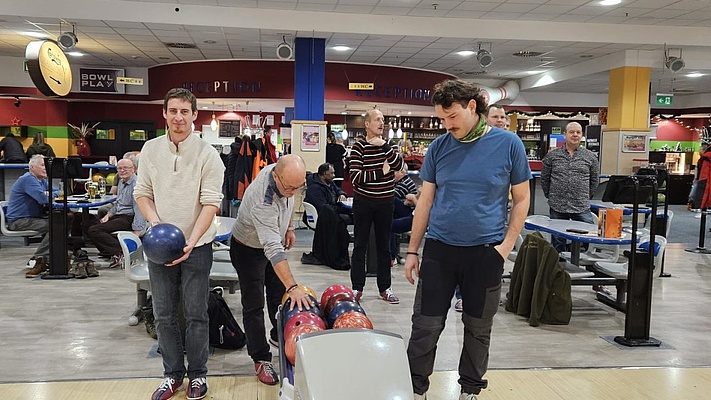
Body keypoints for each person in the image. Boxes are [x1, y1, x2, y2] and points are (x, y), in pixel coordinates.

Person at [404, 79, 531, 400]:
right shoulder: (439, 148)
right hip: (439, 252)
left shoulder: (509, 144)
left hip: (485, 254)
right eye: (441, 120)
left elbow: (522, 199)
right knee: (425, 328)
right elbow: (425, 202)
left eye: (452, 117)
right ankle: (416, 390)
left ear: (472, 107)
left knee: (478, 329)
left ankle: (470, 390)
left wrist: (504, 247)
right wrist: (412, 250)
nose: (447, 125)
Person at [134, 88, 224, 400]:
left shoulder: (208, 155)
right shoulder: (150, 150)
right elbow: (142, 192)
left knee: (197, 313)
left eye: (185, 112)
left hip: (197, 246)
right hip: (160, 245)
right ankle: (172, 375)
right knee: (163, 313)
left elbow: (211, 203)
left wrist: (192, 240)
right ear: (164, 113)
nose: (178, 117)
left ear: (194, 115)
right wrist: (156, 224)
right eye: (173, 111)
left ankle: (198, 375)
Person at [229, 154, 312, 386]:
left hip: (270, 238)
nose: (294, 192)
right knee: (254, 305)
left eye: (299, 186)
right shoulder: (262, 201)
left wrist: (289, 227)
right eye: (290, 187)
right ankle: (260, 358)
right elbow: (273, 249)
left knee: (278, 297)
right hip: (247, 249)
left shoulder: (286, 176)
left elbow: (288, 202)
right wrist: (294, 286)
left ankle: (280, 337)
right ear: (276, 176)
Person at [347, 109, 403, 304]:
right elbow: (356, 178)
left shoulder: (390, 146)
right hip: (364, 201)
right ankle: (357, 288)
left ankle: (385, 288)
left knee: (384, 246)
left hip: (386, 201)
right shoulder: (358, 147)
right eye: (378, 120)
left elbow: (399, 166)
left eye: (383, 119)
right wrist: (382, 171)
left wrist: (385, 147)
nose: (382, 123)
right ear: (367, 124)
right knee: (360, 245)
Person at [541, 121, 600, 253]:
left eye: (578, 132)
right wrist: (550, 195)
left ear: (582, 135)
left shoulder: (590, 157)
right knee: (557, 241)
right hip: (558, 205)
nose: (575, 135)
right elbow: (545, 178)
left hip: (581, 205)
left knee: (588, 239)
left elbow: (594, 180)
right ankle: (557, 267)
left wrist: (586, 196)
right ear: (565, 135)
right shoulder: (552, 156)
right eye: (572, 132)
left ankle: (583, 267)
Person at [87, 158, 145, 268]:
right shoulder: (121, 182)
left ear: (133, 169)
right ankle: (109, 252)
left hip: (129, 217)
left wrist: (137, 232)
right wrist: (108, 215)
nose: (122, 170)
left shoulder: (136, 185)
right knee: (88, 223)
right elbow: (118, 204)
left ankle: (121, 252)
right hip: (119, 215)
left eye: (125, 168)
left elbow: (139, 209)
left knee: (94, 230)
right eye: (119, 168)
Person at [6, 155, 52, 277]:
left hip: (32, 218)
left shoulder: (41, 180)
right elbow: (43, 199)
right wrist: (47, 194)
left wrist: (48, 193)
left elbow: (58, 191)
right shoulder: (28, 179)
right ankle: (37, 259)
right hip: (19, 220)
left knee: (65, 220)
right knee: (55, 226)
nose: (45, 168)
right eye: (42, 165)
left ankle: (49, 258)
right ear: (32, 167)